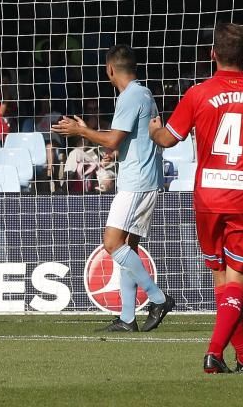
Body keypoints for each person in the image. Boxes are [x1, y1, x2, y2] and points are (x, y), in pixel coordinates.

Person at [149, 23, 243, 373]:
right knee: (237, 280)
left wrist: (153, 129)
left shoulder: (197, 93)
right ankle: (213, 353)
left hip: (208, 197)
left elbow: (168, 140)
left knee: (222, 279)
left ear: (212, 54)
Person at [53, 44, 174, 332]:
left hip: (137, 182)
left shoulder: (130, 96)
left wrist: (81, 131)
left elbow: (112, 140)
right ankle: (128, 318)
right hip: (145, 177)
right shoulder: (143, 93)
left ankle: (158, 298)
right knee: (128, 247)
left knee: (112, 244)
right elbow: (128, 141)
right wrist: (113, 148)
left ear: (109, 70)